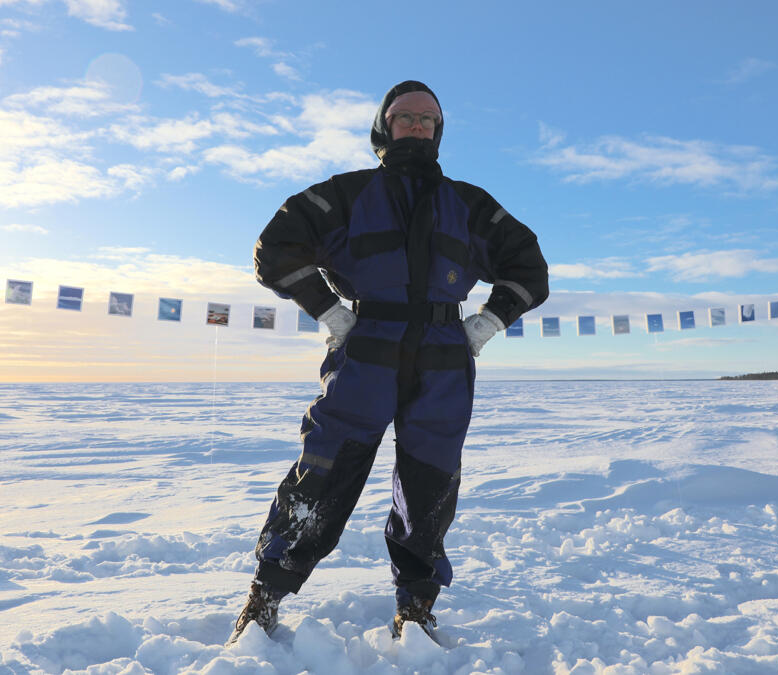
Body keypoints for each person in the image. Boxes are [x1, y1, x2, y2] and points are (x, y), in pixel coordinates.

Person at [229, 80, 548, 643]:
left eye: (428, 119)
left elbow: (529, 269)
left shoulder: (470, 205)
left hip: (444, 358)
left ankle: (416, 606)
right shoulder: (346, 195)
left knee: (429, 485)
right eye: (406, 117)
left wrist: (488, 322)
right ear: (384, 126)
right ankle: (266, 594)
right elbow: (275, 248)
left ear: (440, 131)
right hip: (365, 350)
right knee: (323, 474)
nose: (418, 126)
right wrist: (328, 311)